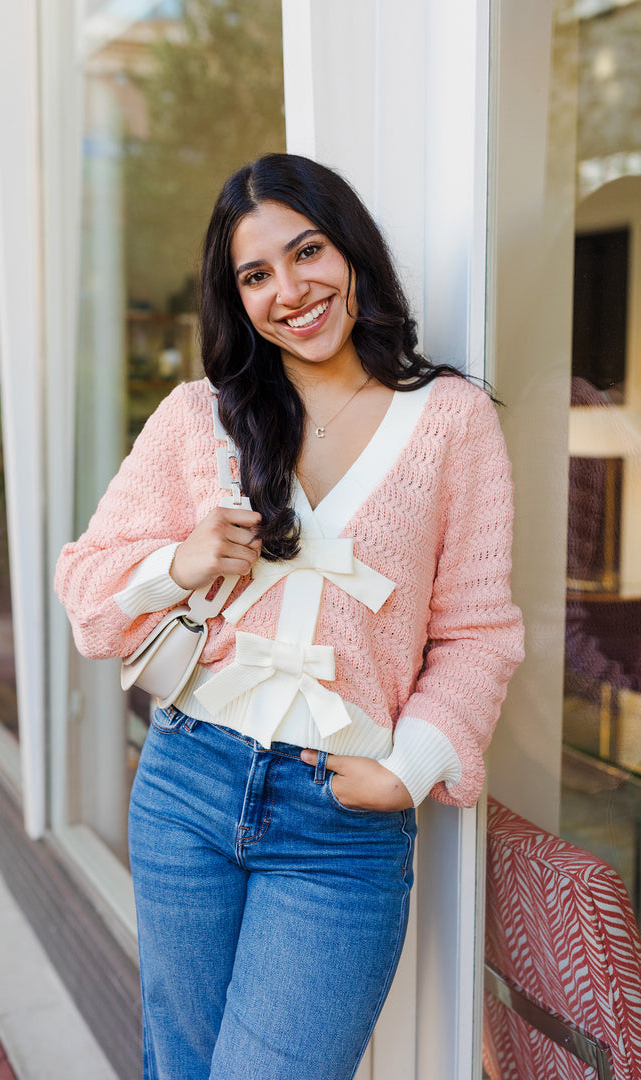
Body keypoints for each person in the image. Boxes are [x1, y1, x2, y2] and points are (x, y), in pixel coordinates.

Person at [55, 152, 525, 1080]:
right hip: (188, 781)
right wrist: (177, 563)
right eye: (256, 275)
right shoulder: (202, 417)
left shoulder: (450, 419)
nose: (291, 291)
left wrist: (410, 767)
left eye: (308, 252)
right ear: (237, 300)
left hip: (337, 823)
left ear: (351, 251)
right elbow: (85, 593)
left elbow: (478, 632)